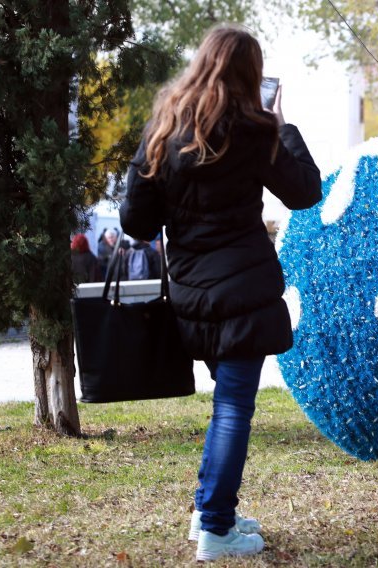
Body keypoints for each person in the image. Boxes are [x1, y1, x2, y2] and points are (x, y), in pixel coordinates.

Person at [120, 25, 322, 561]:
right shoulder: (257, 131)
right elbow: (305, 191)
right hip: (245, 294)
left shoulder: (165, 128)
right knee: (232, 408)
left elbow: (136, 221)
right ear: (252, 76)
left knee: (225, 410)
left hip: (190, 292)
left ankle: (210, 512)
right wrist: (284, 125)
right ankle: (215, 528)